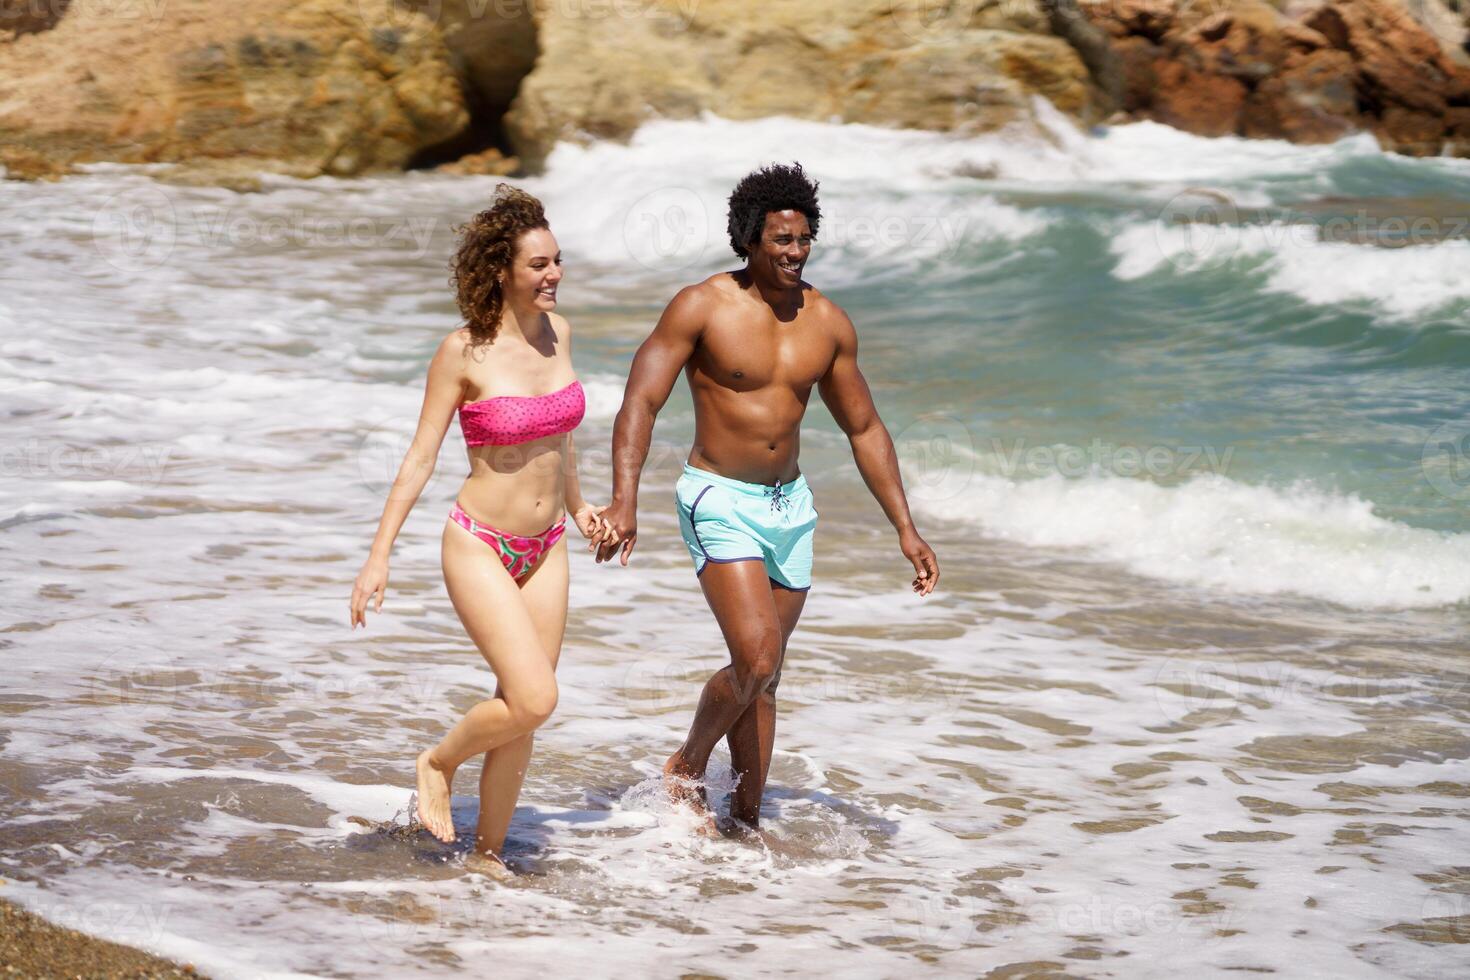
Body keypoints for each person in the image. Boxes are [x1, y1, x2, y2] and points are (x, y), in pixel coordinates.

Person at [592, 163, 939, 833]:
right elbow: (641, 400)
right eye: (781, 240)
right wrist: (623, 501)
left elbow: (864, 428)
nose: (795, 252)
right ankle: (687, 762)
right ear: (749, 239)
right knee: (755, 656)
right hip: (717, 496)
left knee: (766, 675)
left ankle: (743, 822)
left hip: (791, 508)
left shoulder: (828, 322)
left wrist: (907, 527)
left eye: (804, 239)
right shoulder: (702, 306)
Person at [349, 185, 607, 869]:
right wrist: (379, 557)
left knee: (521, 714)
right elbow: (420, 458)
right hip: (480, 543)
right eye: (538, 265)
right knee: (535, 696)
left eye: (557, 262)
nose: (553, 275)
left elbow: (562, 439)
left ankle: (487, 857)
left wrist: (580, 510)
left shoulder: (562, 333)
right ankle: (436, 763)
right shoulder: (464, 352)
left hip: (547, 546)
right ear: (501, 270)